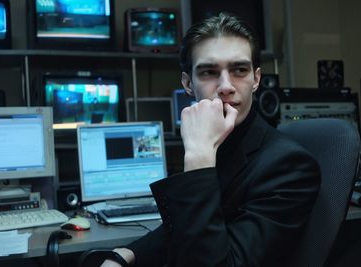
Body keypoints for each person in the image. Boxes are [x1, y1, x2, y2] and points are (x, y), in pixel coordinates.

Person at [101, 12, 321, 267]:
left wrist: (198, 157)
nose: (226, 86)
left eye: (240, 69)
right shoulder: (220, 141)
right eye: (208, 72)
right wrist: (125, 256)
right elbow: (188, 224)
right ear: (188, 83)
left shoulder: (290, 166)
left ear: (256, 79)